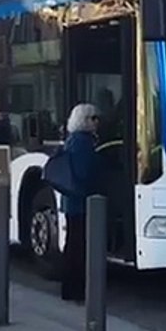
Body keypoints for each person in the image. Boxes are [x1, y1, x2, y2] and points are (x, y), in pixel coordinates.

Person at [61, 103, 101, 303]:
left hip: (73, 201)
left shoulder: (73, 140)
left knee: (73, 243)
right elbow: (84, 173)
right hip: (82, 202)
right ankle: (75, 288)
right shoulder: (83, 143)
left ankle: (70, 287)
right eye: (93, 118)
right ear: (85, 121)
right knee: (78, 246)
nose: (97, 122)